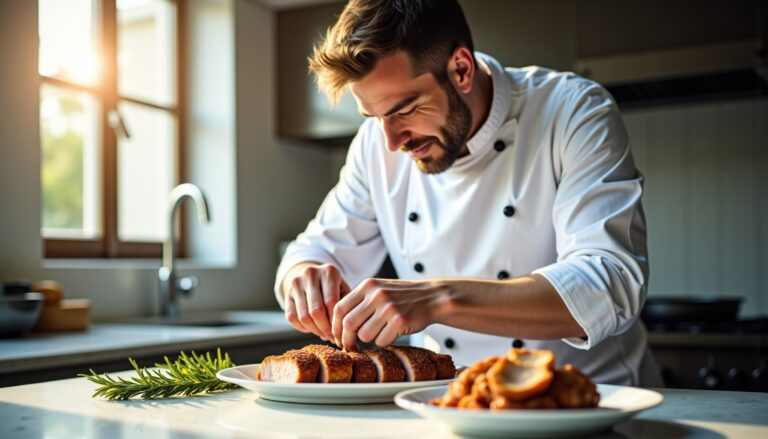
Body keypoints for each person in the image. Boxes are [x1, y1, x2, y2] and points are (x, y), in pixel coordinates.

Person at [274, 0, 662, 386]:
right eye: (374, 117)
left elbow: (609, 283)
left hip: (588, 397)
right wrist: (303, 277)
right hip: (450, 399)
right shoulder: (375, 144)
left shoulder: (572, 110)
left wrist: (436, 299)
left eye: (405, 110)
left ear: (461, 69)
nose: (392, 141)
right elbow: (313, 250)